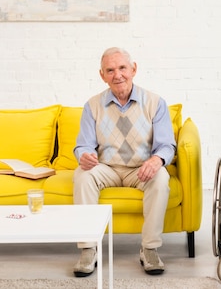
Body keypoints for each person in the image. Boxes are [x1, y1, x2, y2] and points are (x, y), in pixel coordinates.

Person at [72, 47, 176, 277]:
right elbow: (83, 145)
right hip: (107, 168)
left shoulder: (155, 103)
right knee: (81, 175)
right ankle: (88, 248)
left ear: (134, 69)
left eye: (122, 68)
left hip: (141, 169)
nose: (117, 75)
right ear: (102, 75)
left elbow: (167, 145)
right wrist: (85, 156)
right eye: (110, 70)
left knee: (161, 177)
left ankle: (149, 249)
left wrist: (157, 160)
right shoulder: (92, 105)